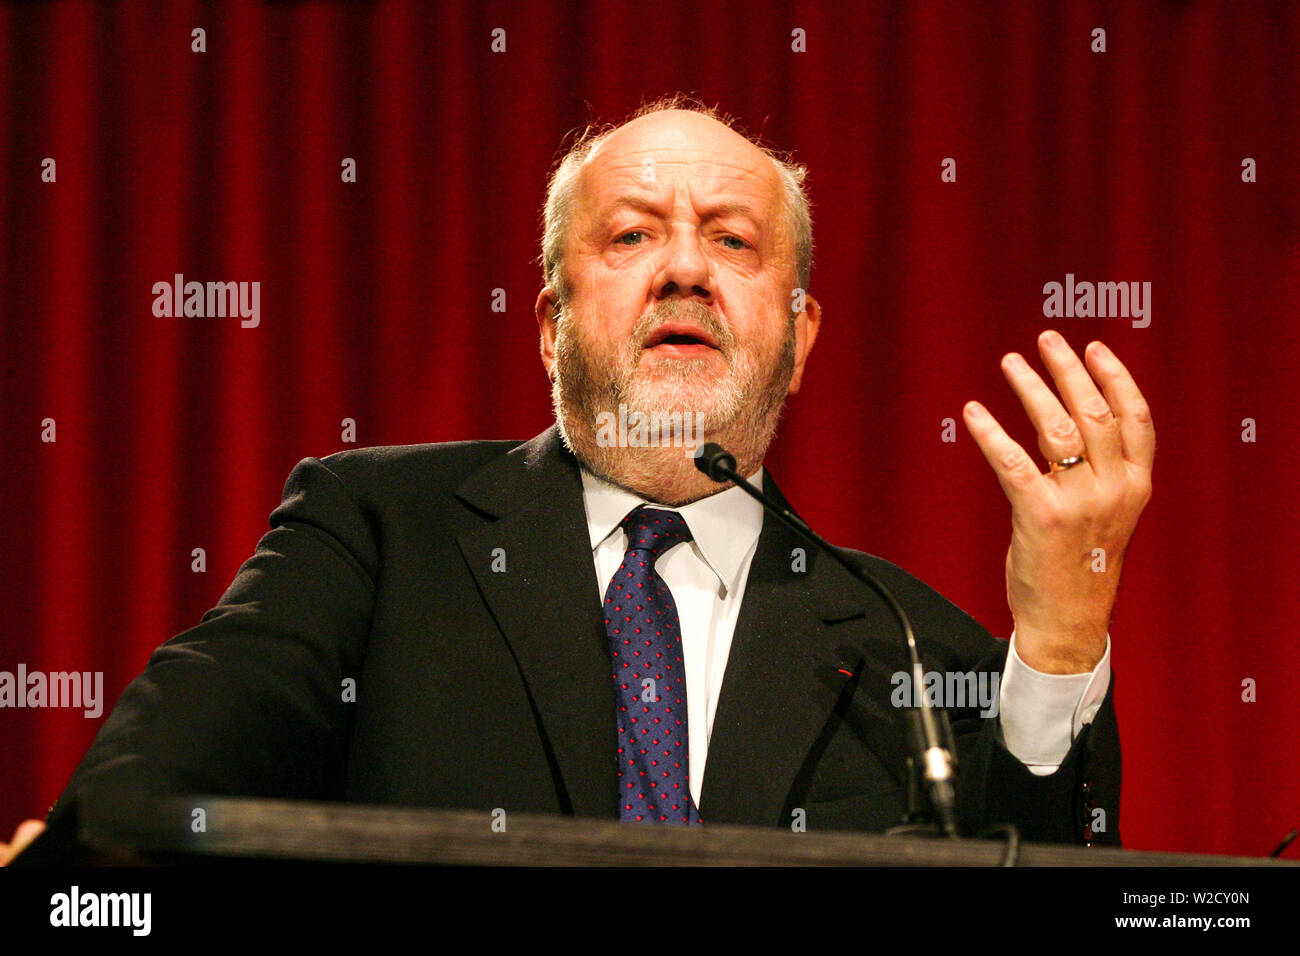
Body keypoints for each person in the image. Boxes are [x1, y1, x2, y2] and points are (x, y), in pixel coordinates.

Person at [1, 97, 1153, 862]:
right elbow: (174, 766)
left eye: (734, 241)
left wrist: (1058, 632)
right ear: (550, 328)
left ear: (801, 338)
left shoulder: (913, 644)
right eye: (633, 235)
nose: (687, 267)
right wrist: (78, 874)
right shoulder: (375, 535)